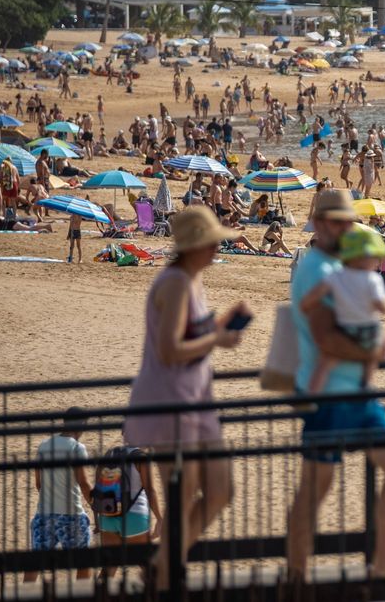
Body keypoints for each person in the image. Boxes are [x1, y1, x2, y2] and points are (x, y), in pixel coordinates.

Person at [287, 191, 385, 580]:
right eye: (340, 222)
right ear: (322, 223)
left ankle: (382, 565)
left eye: (349, 222)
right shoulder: (319, 271)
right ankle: (296, 574)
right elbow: (326, 337)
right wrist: (374, 351)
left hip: (354, 392)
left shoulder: (336, 267)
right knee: (315, 488)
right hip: (328, 396)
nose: (347, 228)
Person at [122, 206, 247, 588]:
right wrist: (218, 337)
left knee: (220, 489)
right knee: (183, 496)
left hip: (192, 400)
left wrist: (218, 325)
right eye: (211, 243)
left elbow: (188, 335)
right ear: (194, 246)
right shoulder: (175, 281)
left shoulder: (191, 279)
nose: (215, 249)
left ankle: (162, 564)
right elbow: (170, 349)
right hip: (169, 402)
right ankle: (164, 575)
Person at [299, 228, 385, 401]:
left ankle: (312, 395)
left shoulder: (336, 275)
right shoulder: (373, 279)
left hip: (344, 331)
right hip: (369, 333)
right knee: (375, 355)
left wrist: (307, 308)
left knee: (325, 363)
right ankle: (366, 385)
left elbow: (311, 299)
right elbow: (380, 305)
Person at [25, 407, 93, 583]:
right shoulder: (77, 448)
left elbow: (38, 483)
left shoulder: (44, 446)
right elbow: (84, 483)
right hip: (71, 515)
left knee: (35, 564)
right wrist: (95, 503)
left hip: (44, 514)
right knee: (84, 562)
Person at [93, 445, 162, 581]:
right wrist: (160, 518)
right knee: (148, 567)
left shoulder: (109, 454)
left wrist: (97, 521)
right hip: (134, 516)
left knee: (109, 568)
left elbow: (97, 490)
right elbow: (150, 490)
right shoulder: (141, 457)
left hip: (107, 517)